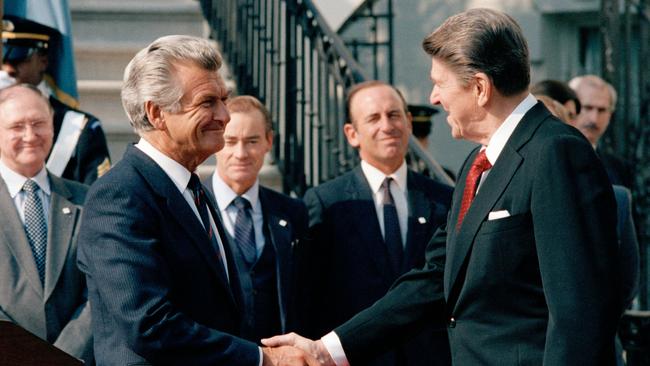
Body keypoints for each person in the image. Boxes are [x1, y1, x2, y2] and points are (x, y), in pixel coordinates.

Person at [264, 8, 621, 366]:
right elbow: (435, 276)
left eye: (440, 83)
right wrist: (328, 350)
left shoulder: (556, 153)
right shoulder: (476, 164)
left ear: (480, 88)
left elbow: (580, 316)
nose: (434, 97)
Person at [76, 35, 316, 366]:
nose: (224, 115)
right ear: (156, 113)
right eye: (207, 103)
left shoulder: (191, 187)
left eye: (224, 99)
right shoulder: (119, 196)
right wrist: (263, 359)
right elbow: (150, 324)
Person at [297, 80, 454, 366]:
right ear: (352, 134)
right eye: (373, 118)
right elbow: (312, 294)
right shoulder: (326, 203)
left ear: (408, 122)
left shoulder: (444, 199)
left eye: (394, 115)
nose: (387, 125)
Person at [203, 95, 309, 342]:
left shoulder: (293, 212)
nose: (241, 153)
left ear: (268, 142)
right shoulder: (193, 207)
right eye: (230, 141)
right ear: (217, 142)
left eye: (252, 141)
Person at [0, 84, 93, 363]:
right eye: (17, 126)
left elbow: (98, 290)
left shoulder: (86, 201)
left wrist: (59, 358)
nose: (30, 136)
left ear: (53, 127)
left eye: (39, 123)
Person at [2, 15, 111, 185]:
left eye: (18, 59)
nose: (8, 69)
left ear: (43, 61)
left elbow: (97, 197)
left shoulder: (78, 127)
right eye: (3, 61)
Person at [569, 74, 634, 188]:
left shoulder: (619, 168)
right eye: (588, 108)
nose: (594, 119)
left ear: (610, 114)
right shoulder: (550, 159)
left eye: (602, 110)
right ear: (570, 108)